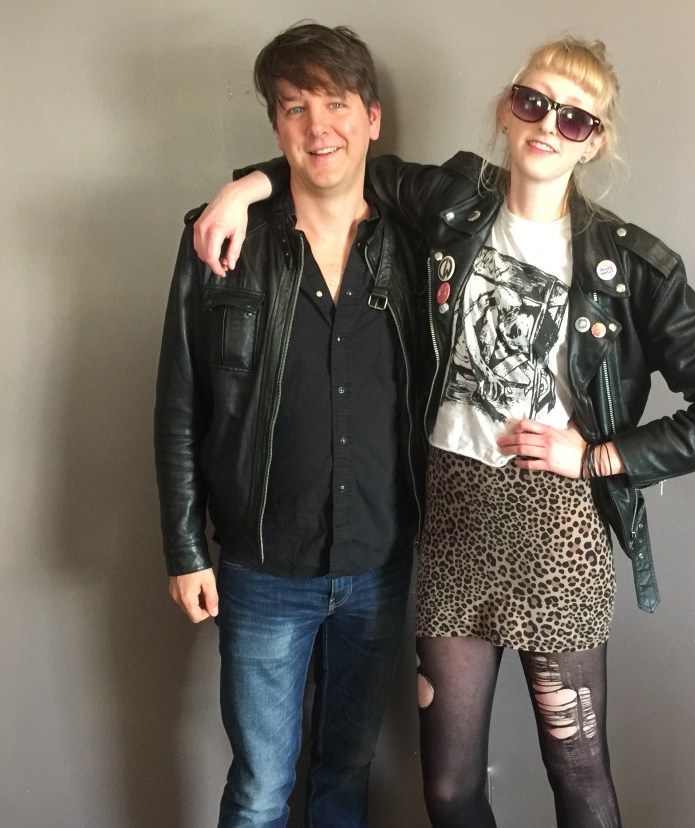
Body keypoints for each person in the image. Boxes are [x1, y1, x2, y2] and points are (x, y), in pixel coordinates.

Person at [193, 35, 695, 828]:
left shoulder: (630, 265)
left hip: (557, 535)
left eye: (575, 118)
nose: (548, 125)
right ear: (508, 108)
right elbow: (333, 162)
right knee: (447, 790)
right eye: (534, 102)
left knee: (579, 775)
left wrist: (600, 456)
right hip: (453, 527)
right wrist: (243, 190)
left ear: (594, 140)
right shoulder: (451, 203)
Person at [154, 23, 425, 827]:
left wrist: (248, 181)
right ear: (276, 125)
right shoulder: (220, 243)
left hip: (379, 562)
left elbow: (484, 194)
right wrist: (184, 547)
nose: (318, 127)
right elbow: (179, 402)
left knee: (348, 770)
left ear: (372, 117)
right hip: (262, 567)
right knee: (260, 788)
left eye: (336, 104)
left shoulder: (414, 246)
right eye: (295, 108)